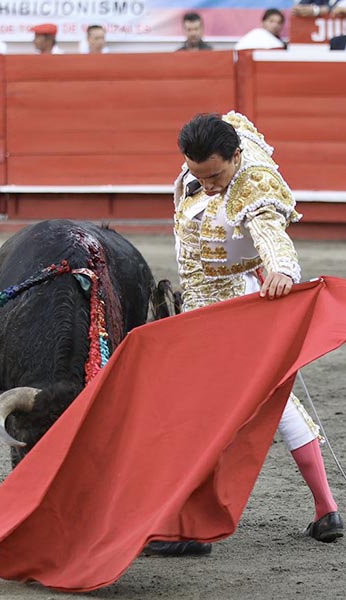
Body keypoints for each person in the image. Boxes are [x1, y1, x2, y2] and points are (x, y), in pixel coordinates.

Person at [171, 111, 344, 548]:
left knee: (200, 408)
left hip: (231, 308)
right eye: (198, 175)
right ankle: (326, 510)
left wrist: (281, 270)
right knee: (274, 400)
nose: (208, 185)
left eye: (215, 175)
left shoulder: (254, 187)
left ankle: (194, 524)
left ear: (236, 156)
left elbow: (271, 235)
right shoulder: (212, 150)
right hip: (202, 303)